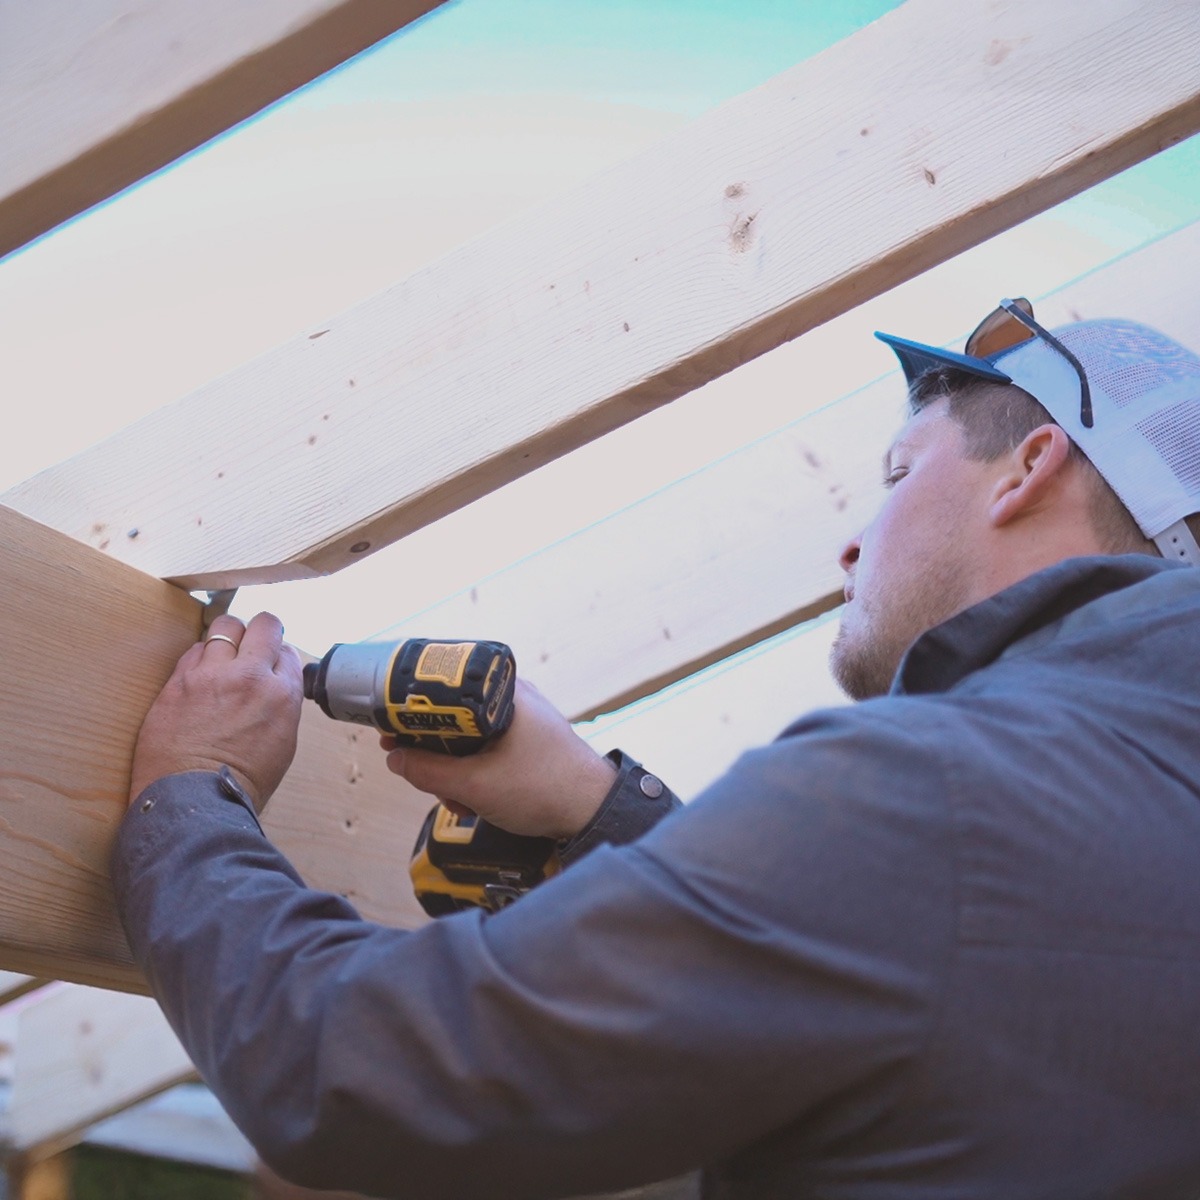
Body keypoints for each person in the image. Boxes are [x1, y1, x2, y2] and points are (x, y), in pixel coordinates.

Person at [112, 301, 1200, 1199]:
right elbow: (897, 975)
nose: (853, 539)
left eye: (899, 472)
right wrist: (602, 814)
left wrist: (189, 794)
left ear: (1030, 467)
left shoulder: (926, 798)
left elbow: (348, 1068)